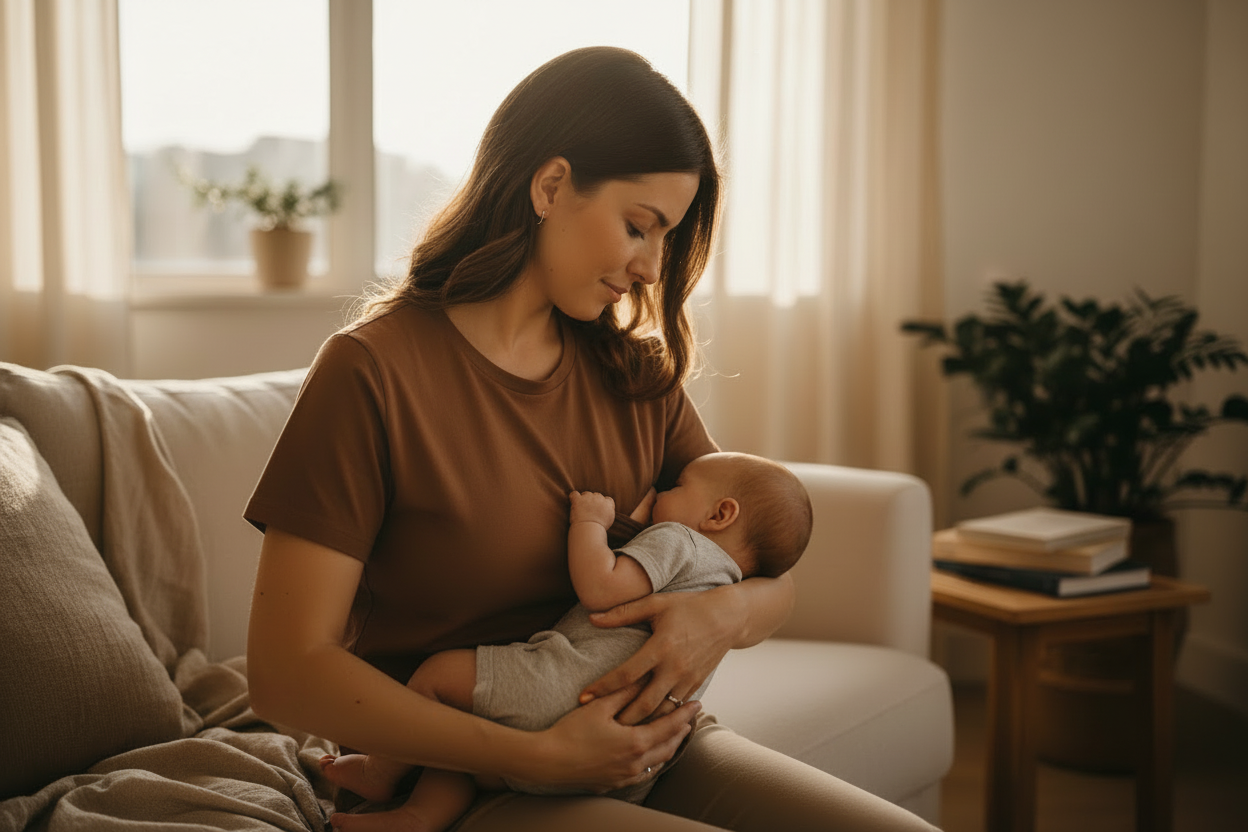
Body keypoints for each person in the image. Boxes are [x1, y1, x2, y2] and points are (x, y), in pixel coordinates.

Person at [245, 46, 937, 832]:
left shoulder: (636, 378)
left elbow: (765, 572)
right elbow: (283, 674)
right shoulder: (373, 373)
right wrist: (534, 759)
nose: (651, 268)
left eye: (666, 239)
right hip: (459, 784)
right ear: (550, 186)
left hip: (650, 755)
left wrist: (719, 619)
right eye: (639, 227)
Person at [317, 452, 814, 832]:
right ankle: (422, 819)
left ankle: (386, 776)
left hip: (560, 694)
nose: (663, 489)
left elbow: (601, 589)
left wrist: (590, 524)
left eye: (678, 485)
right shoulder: (726, 577)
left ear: (720, 513)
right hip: (634, 758)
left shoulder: (680, 540)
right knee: (465, 745)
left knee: (438, 679)